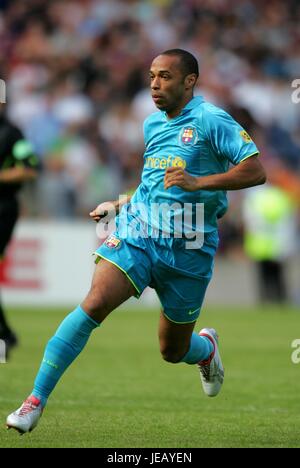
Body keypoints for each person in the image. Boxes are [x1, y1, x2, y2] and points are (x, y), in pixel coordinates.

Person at [6, 49, 266, 434]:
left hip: (192, 242)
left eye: (164, 77)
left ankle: (206, 350)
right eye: (151, 76)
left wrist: (199, 182)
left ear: (189, 81)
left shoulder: (212, 120)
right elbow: (153, 185)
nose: (154, 85)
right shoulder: (151, 125)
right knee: (94, 303)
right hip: (140, 231)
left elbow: (255, 169)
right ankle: (34, 401)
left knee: (172, 350)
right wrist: (120, 202)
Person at [0, 105, 38, 358]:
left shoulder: (12, 133)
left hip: (3, 207)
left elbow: (29, 169)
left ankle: (5, 334)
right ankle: (5, 334)